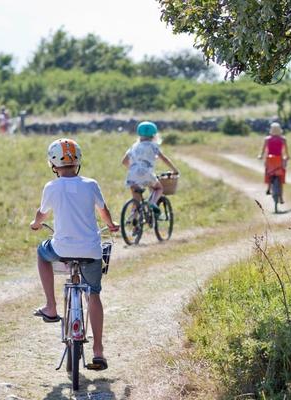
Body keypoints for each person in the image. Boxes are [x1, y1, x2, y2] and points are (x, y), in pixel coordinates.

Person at [30, 138, 119, 371]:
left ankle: (51, 306)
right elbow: (104, 210)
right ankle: (98, 351)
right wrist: (110, 225)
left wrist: (36, 224)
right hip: (91, 250)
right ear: (78, 161)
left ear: (52, 163)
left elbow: (41, 214)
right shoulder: (91, 184)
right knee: (94, 295)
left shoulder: (51, 187)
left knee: (42, 253)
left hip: (62, 249)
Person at [121, 121, 180, 210]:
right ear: (154, 135)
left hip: (132, 175)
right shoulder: (153, 146)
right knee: (158, 188)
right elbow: (164, 159)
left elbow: (124, 161)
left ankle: (133, 218)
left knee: (136, 200)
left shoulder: (134, 146)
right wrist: (174, 170)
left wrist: (134, 168)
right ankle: (152, 203)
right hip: (146, 173)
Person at [257, 122, 289, 203]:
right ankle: (281, 197)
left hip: (270, 160)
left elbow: (263, 151)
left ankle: (268, 188)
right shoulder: (283, 139)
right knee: (281, 178)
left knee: (268, 173)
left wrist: (260, 156)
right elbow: (286, 152)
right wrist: (287, 157)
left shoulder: (267, 139)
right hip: (279, 160)